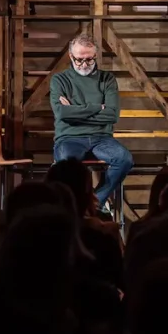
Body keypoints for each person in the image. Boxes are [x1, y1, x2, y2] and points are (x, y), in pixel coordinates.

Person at [49, 33, 133, 214]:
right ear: (71, 56)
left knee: (124, 159)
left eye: (89, 59)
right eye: (79, 60)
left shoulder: (107, 79)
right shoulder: (60, 80)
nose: (84, 64)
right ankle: (72, 207)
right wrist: (97, 107)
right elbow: (62, 113)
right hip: (69, 137)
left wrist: (75, 111)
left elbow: (112, 115)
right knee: (66, 166)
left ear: (95, 56)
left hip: (101, 138)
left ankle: (95, 202)